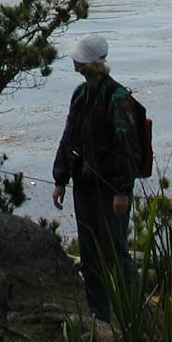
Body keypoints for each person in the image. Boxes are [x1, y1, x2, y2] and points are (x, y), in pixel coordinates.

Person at [52, 34, 142, 323]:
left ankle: (135, 315)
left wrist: (122, 190)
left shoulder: (116, 96)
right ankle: (99, 314)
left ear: (87, 62)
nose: (73, 60)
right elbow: (70, 136)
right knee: (89, 252)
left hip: (109, 189)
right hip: (84, 184)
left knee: (116, 251)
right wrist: (60, 178)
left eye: (77, 57)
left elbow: (124, 144)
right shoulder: (81, 94)